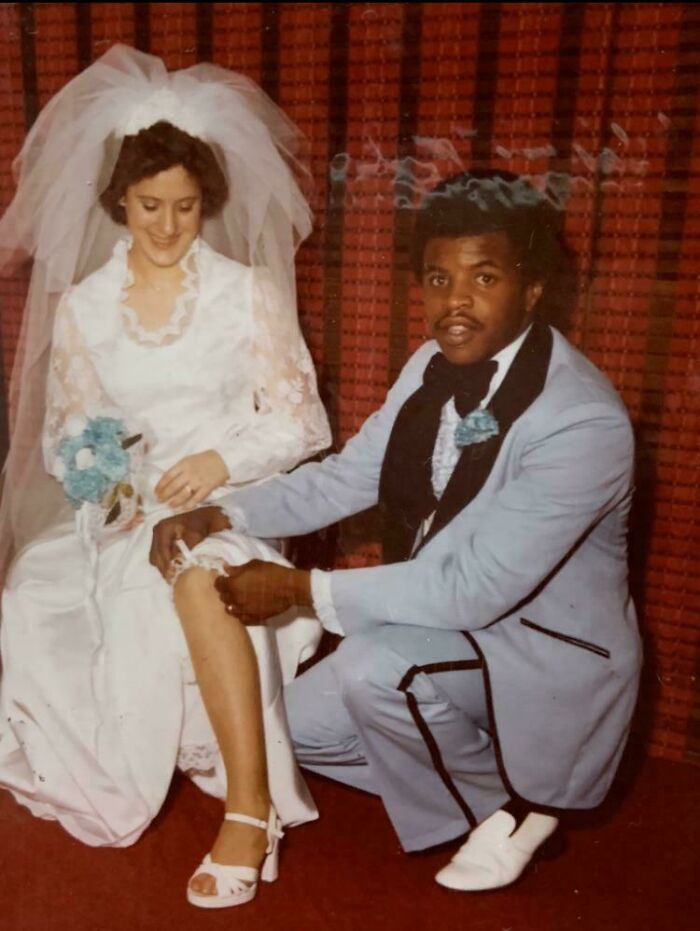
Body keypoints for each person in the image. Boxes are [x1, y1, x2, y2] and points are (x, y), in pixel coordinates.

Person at [151, 169, 643, 892]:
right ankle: (477, 775)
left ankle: (511, 808)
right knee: (280, 739)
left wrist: (297, 588)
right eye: (439, 280)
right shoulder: (429, 366)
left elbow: (472, 588)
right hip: (442, 627)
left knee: (373, 667)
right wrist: (229, 510)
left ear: (533, 287)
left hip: (541, 655)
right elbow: (350, 477)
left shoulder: (583, 420)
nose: (456, 304)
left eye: (484, 278)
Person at [0, 45, 331, 909]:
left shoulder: (247, 294)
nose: (167, 224)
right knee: (41, 587)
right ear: (118, 201)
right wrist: (100, 477)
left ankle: (248, 810)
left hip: (231, 504)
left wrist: (221, 463)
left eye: (186, 206)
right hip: (124, 513)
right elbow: (66, 435)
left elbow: (304, 424)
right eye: (149, 204)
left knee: (185, 578)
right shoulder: (82, 309)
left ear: (206, 204)